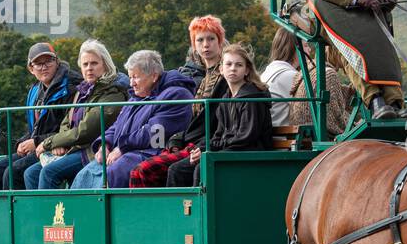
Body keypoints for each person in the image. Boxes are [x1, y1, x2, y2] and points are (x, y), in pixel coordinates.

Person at [70, 50, 195, 189]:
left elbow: (155, 133)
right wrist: (105, 144)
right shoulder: (136, 96)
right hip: (124, 150)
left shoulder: (177, 95)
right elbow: (117, 126)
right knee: (84, 173)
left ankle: (108, 209)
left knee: (116, 171)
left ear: (153, 76)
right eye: (130, 77)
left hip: (153, 151)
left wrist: (122, 147)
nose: (131, 83)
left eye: (135, 77)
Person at [129, 15, 229, 188]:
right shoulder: (205, 77)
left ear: (220, 42)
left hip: (206, 144)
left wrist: (198, 145)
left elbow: (217, 122)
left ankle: (164, 214)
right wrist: (177, 139)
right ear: (194, 45)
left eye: (211, 39)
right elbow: (195, 121)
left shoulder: (225, 76)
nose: (206, 45)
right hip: (192, 141)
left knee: (143, 170)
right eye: (200, 40)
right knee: (140, 169)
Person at [23, 39, 127, 189]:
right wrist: (61, 144)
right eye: (85, 64)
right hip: (75, 147)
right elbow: (67, 120)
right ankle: (37, 212)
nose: (89, 68)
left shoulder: (113, 93)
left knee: (49, 172)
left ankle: (51, 212)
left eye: (94, 63)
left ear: (105, 64)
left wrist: (51, 142)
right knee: (31, 173)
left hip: (92, 149)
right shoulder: (83, 90)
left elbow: (86, 130)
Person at [165, 43, 273, 186]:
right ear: (221, 69)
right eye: (228, 64)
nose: (233, 68)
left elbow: (246, 137)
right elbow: (219, 134)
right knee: (176, 169)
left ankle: (204, 208)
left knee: (202, 168)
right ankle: (180, 208)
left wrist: (211, 152)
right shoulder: (225, 99)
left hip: (249, 153)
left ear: (247, 70)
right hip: (229, 149)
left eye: (239, 65)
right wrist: (203, 150)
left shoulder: (253, 98)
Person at [0, 42, 74, 189]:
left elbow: (70, 130)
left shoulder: (70, 87)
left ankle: (17, 212)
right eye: (38, 63)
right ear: (31, 68)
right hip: (37, 146)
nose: (44, 67)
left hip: (57, 147)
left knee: (12, 173)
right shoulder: (35, 91)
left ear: (57, 61)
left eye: (49, 61)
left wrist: (35, 142)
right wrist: (22, 143)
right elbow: (36, 129)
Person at [260, 27, 301, 127]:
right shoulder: (290, 76)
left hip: (273, 133)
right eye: (306, 46)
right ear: (294, 49)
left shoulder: (268, 72)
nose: (309, 50)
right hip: (284, 139)